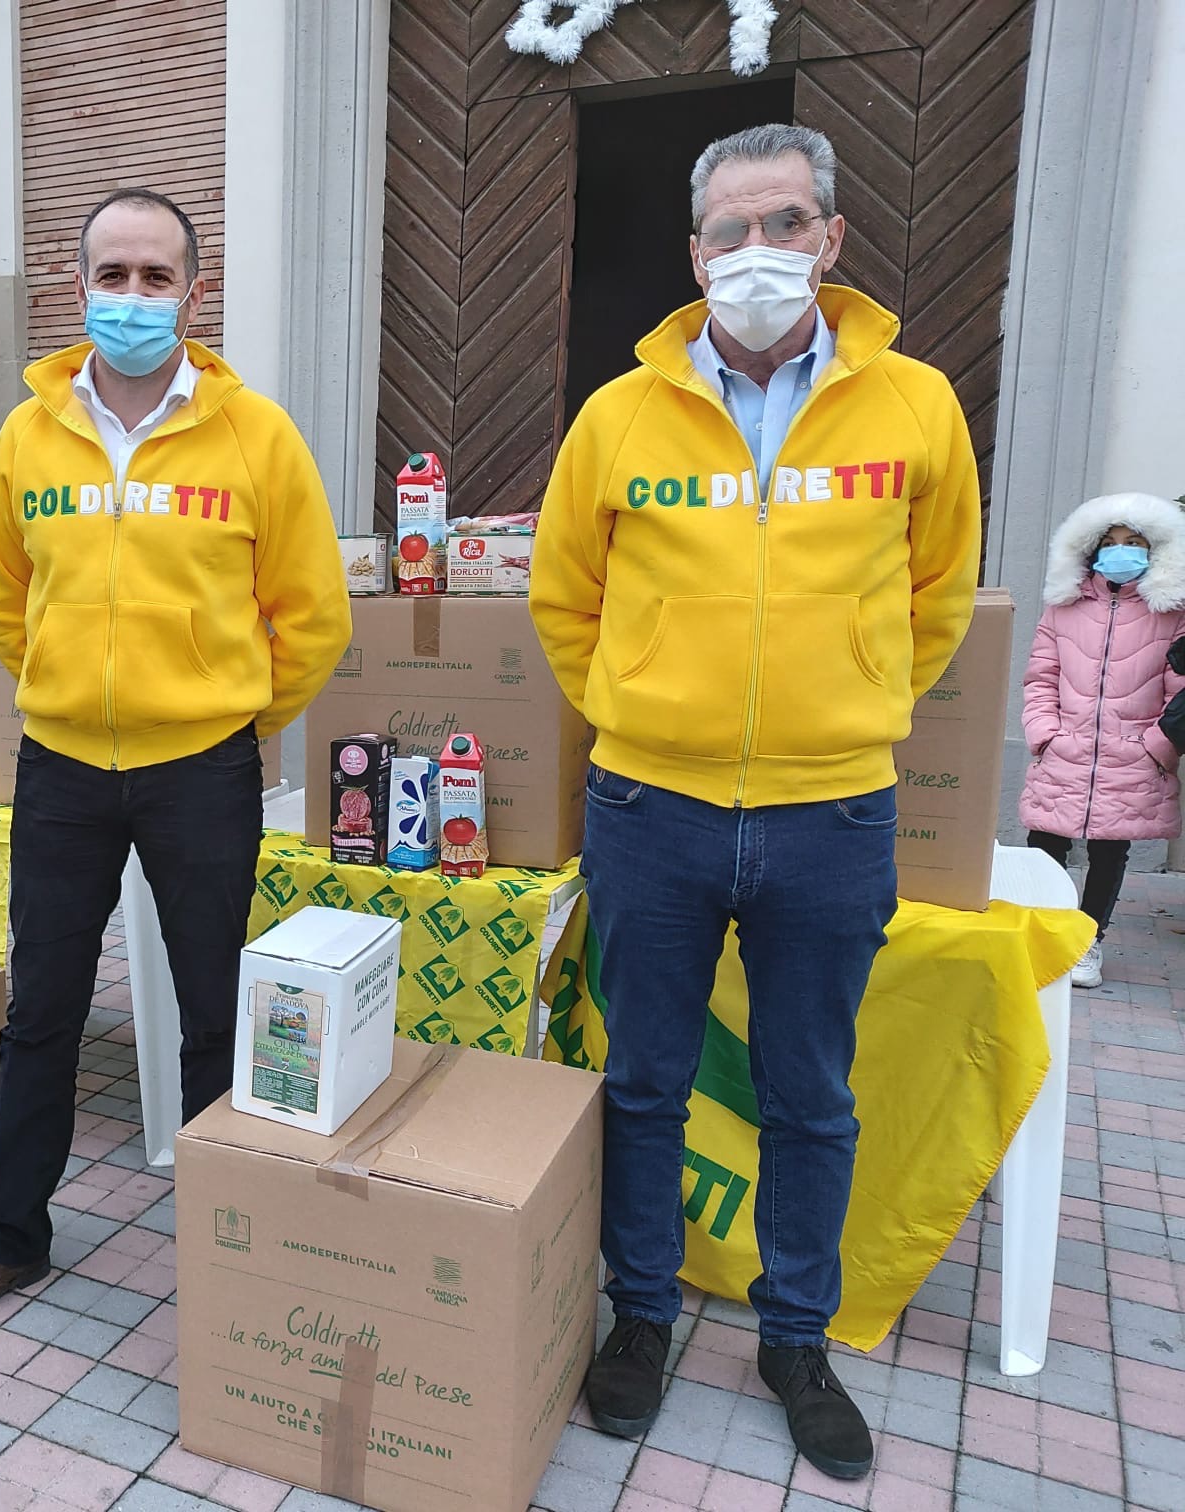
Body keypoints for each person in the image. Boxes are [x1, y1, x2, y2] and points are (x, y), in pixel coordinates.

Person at [530, 124, 981, 1481]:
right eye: (727, 234)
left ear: (832, 238)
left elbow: (937, 596)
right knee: (647, 1080)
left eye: (781, 224)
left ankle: (796, 1335)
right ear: (693, 256)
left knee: (811, 1095)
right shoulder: (618, 417)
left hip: (830, 814)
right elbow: (566, 599)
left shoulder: (917, 408)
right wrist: (642, 701)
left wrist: (844, 695)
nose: (754, 255)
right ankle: (641, 1315)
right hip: (650, 808)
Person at [0, 187, 352, 1336]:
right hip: (61, 765)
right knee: (41, 1008)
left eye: (157, 277)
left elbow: (310, 615)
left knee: (216, 1010)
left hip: (201, 767)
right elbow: (5, 601)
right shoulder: (28, 433)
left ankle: (223, 1243)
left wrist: (234, 718)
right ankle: (11, 1234)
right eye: (113, 275)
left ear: (193, 294)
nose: (133, 296)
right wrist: (56, 685)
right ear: (78, 288)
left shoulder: (254, 433)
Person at [1020, 493, 1185, 987]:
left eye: (1133, 543)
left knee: (1110, 851)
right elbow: (1040, 677)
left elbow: (1181, 693)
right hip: (1064, 749)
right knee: (1044, 845)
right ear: (1090, 551)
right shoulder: (1064, 608)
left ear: (1154, 550)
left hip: (1132, 755)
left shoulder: (1172, 615)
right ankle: (1045, 936)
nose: (1121, 552)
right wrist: (1044, 735)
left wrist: (1156, 747)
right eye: (1110, 543)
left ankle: (1089, 942)